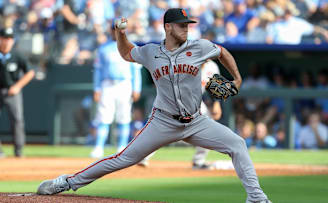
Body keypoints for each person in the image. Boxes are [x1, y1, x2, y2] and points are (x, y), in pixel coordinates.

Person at [37, 8, 271, 203]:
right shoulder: (151, 52)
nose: (186, 28)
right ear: (168, 27)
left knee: (237, 144)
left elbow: (222, 52)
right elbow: (127, 53)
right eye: (181, 25)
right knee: (123, 158)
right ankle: (68, 182)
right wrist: (120, 33)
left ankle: (256, 198)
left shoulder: (198, 47)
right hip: (163, 121)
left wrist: (237, 78)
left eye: (187, 24)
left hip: (196, 121)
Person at [89, 22, 142, 158]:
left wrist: (136, 88)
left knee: (123, 116)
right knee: (104, 116)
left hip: (125, 84)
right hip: (108, 84)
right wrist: (97, 88)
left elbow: (136, 71)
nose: (116, 32)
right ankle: (99, 147)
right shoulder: (103, 49)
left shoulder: (132, 47)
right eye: (114, 29)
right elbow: (98, 71)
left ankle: (122, 147)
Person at [0, 27, 35, 157]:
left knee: (17, 120)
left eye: (10, 39)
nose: (7, 41)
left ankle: (19, 151)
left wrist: (18, 86)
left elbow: (30, 72)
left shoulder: (17, 55)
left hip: (12, 91)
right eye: (4, 38)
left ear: (13, 41)